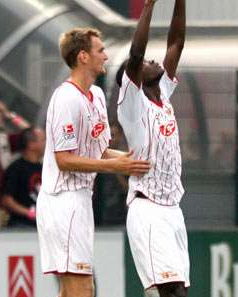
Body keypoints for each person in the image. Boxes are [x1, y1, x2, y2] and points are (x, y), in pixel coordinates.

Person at [36, 27, 151, 297]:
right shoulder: (65, 98)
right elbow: (63, 160)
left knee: (72, 289)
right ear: (83, 57)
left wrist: (133, 160)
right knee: (82, 288)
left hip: (81, 199)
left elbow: (99, 151)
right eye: (100, 50)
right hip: (62, 200)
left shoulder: (97, 96)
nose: (106, 56)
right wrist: (116, 167)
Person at [116, 0, 189, 296]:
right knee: (171, 292)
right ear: (133, 77)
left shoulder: (164, 93)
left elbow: (177, 41)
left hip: (173, 209)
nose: (153, 61)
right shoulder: (133, 105)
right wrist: (149, 5)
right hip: (148, 209)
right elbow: (135, 53)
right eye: (147, 63)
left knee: (176, 291)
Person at [1, 127, 45, 227]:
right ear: (31, 144)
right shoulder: (16, 168)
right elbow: (7, 201)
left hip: (42, 225)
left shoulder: (44, 167)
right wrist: (30, 213)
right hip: (21, 226)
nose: (46, 143)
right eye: (43, 140)